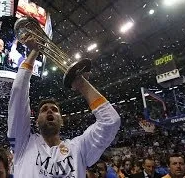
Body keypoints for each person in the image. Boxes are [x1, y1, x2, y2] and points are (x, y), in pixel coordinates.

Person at [7, 34, 121, 177]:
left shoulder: (78, 148)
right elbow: (18, 91)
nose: (49, 111)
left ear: (62, 121)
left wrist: (82, 85)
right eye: (44, 110)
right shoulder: (23, 144)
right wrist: (34, 52)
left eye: (54, 110)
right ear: (36, 121)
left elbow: (110, 122)